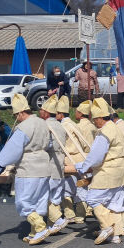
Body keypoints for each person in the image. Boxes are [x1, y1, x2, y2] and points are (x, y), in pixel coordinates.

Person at [0, 94, 51, 245]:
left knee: (24, 202)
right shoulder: (43, 123)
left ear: (22, 112)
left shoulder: (24, 127)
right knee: (39, 201)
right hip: (44, 165)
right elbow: (50, 144)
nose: (17, 118)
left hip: (29, 167)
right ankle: (34, 231)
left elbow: (13, 149)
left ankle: (40, 227)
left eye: (17, 115)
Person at [74, 98, 124, 245]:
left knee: (93, 198)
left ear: (100, 118)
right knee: (115, 203)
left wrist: (83, 167)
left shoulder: (104, 132)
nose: (94, 122)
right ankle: (116, 235)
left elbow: (96, 156)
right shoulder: (115, 128)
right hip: (120, 170)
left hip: (107, 170)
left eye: (95, 120)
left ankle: (107, 227)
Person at [39, 95, 69, 235]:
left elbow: (44, 145)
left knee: (45, 196)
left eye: (41, 110)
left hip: (50, 163)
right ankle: (53, 225)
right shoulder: (60, 125)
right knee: (56, 196)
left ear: (45, 112)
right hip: (59, 162)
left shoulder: (44, 126)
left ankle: (56, 220)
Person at [56, 95, 86, 224]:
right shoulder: (73, 123)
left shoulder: (62, 126)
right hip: (80, 158)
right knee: (81, 187)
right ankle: (81, 213)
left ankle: (69, 213)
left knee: (65, 188)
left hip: (69, 159)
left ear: (60, 114)